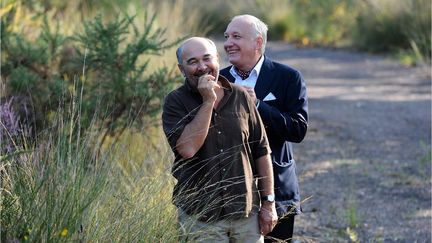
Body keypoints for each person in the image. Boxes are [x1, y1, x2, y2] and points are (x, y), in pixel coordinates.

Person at [162, 37, 278, 242]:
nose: (202, 67)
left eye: (207, 59)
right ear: (182, 69)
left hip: (246, 214)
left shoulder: (241, 96)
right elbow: (187, 149)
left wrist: (268, 203)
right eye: (193, 61)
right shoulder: (175, 101)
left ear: (217, 59)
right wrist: (208, 101)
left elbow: (261, 150)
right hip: (201, 217)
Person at [221, 15, 309, 243]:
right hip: (227, 192)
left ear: (258, 42)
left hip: (277, 190)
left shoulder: (288, 77)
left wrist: (259, 105)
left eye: (236, 36)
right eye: (226, 36)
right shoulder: (218, 79)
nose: (228, 42)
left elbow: (298, 130)